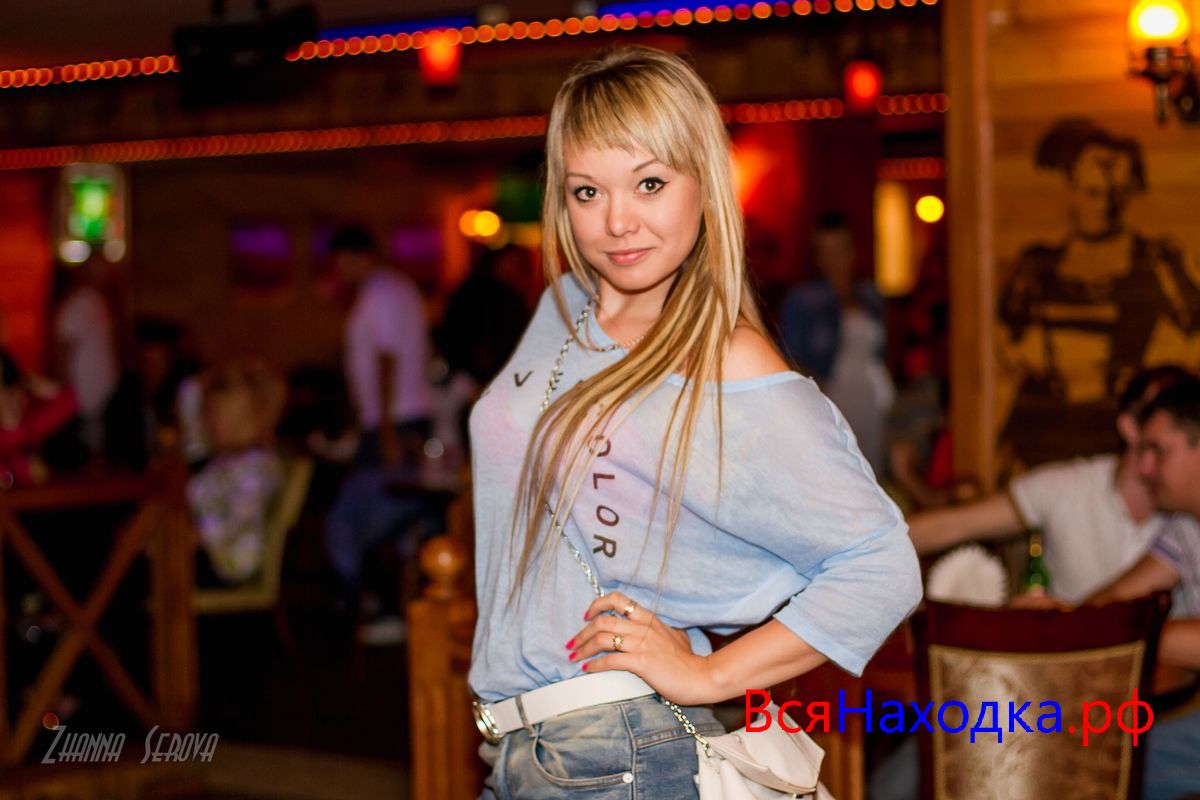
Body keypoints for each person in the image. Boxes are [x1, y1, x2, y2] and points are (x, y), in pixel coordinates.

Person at [467, 46, 921, 799]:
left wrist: (708, 673)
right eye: (587, 191)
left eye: (649, 183)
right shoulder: (560, 310)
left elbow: (881, 564)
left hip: (618, 752)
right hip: (522, 749)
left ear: (704, 185)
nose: (618, 221)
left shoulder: (724, 359)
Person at [996, 118, 1200, 471]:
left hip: (1114, 437)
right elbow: (1003, 341)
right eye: (1093, 192)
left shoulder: (1153, 259)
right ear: (1072, 188)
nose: (1104, 204)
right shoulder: (1039, 263)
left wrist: (1158, 389)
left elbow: (1194, 328)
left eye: (1115, 193)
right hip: (1043, 435)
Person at [907, 365, 1195, 606]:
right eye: (1160, 409)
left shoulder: (1187, 514)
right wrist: (879, 542)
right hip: (1070, 649)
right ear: (1130, 427)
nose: (1168, 417)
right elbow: (951, 525)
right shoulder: (1068, 486)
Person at [1082, 380, 1200, 800]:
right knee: (1092, 760)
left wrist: (1121, 632)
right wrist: (1055, 621)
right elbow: (1114, 604)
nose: (1144, 468)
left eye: (1157, 451)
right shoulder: (1185, 528)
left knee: (1105, 770)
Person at [323, 225, 435, 640]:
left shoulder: (380, 293)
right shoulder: (397, 288)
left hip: (395, 421)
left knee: (380, 514)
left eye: (341, 263)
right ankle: (387, 605)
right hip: (397, 418)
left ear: (359, 256)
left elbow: (387, 359)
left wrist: (385, 428)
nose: (339, 272)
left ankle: (390, 609)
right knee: (394, 513)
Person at [777, 211, 894, 474]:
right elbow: (789, 358)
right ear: (817, 258)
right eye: (826, 252)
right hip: (832, 396)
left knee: (873, 469)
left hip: (872, 396)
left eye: (841, 249)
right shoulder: (803, 301)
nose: (835, 259)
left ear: (853, 251)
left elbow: (885, 351)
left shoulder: (870, 296)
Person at [186, 359, 285, 586]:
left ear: (239, 419)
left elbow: (239, 519)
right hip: (210, 551)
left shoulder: (255, 467)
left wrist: (196, 535)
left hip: (227, 562)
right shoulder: (223, 461)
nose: (206, 422)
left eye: (213, 415)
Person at [52, 258, 119, 456]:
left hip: (103, 397)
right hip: (84, 397)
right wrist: (66, 394)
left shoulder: (100, 302)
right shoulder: (79, 304)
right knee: (90, 451)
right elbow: (63, 348)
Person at [0, 348, 80, 488]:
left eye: (6, 387)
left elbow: (69, 402)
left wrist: (32, 383)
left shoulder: (31, 424)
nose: (4, 397)